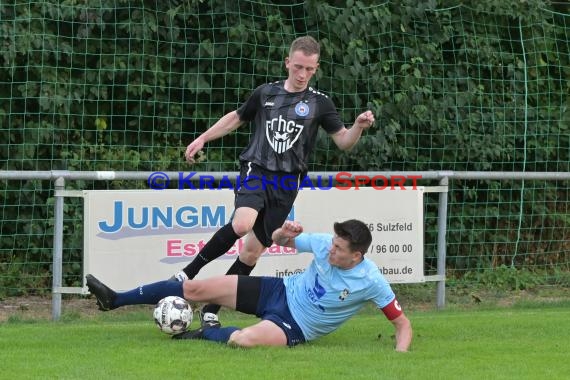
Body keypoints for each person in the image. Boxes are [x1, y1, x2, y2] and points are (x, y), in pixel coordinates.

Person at [175, 35, 375, 325]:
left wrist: (357, 126)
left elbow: (344, 141)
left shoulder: (320, 103)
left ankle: (210, 309)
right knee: (242, 224)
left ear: (316, 68)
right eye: (297, 67)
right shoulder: (266, 93)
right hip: (257, 170)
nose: (302, 74)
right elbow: (236, 117)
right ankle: (186, 273)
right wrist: (203, 137)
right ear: (287, 63)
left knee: (252, 253)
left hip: (287, 184)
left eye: (309, 69)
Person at [86, 219, 412, 351]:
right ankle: (114, 299)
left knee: (243, 340)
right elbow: (277, 240)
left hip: (295, 325)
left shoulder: (371, 282)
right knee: (196, 289)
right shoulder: (326, 243)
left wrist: (399, 358)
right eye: (333, 243)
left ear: (356, 256)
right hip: (278, 291)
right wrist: (286, 233)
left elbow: (402, 324)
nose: (331, 250)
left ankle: (198, 333)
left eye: (339, 250)